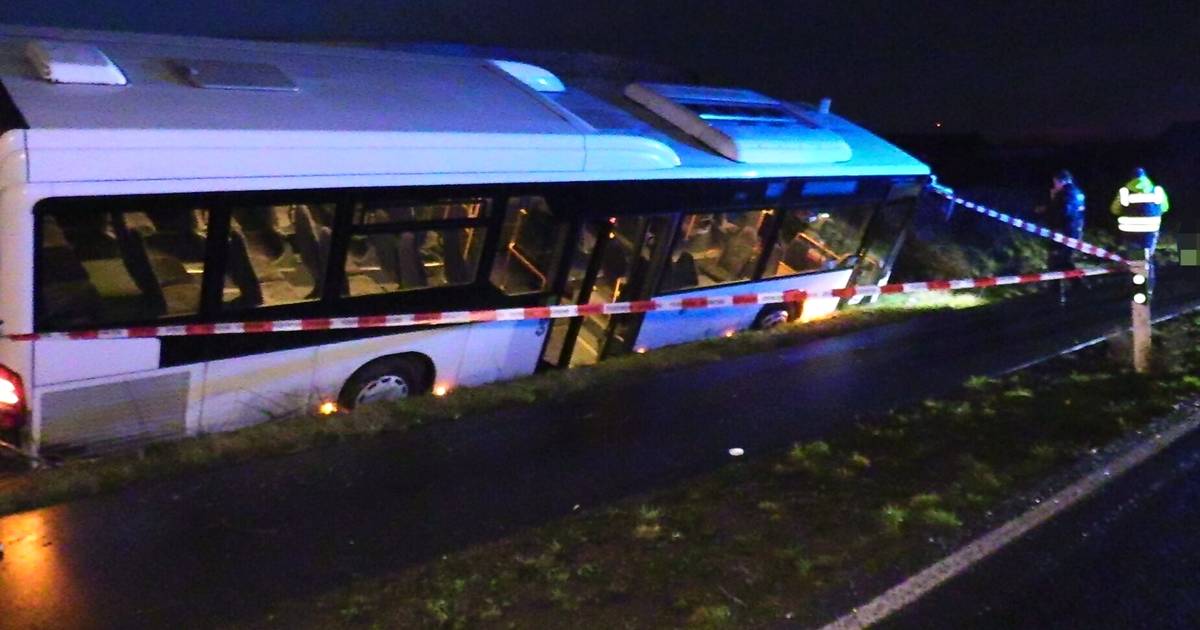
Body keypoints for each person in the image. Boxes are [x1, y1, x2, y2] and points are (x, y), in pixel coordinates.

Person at [1110, 167, 1169, 293]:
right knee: (1147, 258)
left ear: (1132, 178)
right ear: (1146, 178)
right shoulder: (1157, 190)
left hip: (1130, 232)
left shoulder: (1124, 191)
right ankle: (1149, 287)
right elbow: (1165, 207)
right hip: (1150, 232)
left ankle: (1135, 287)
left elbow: (1114, 210)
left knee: (1135, 259)